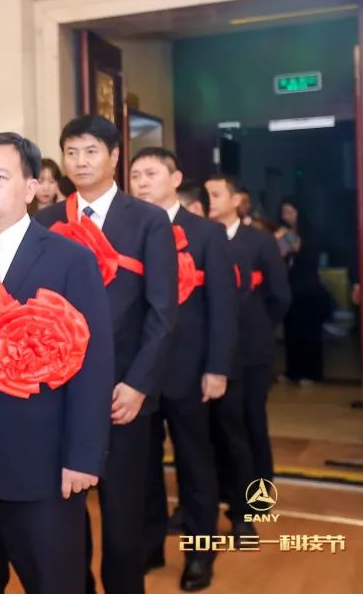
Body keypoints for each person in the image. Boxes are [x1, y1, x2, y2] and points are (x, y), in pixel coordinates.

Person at [0, 132, 113, 594]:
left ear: (31, 187)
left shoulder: (70, 260)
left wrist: (83, 456)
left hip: (43, 468)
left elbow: (94, 366)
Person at [34, 116, 177, 594]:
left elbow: (162, 312)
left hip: (123, 394)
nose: (80, 161)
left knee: (122, 518)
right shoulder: (46, 222)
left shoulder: (147, 220)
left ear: (115, 156)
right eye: (71, 152)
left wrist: (138, 385)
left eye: (91, 151)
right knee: (64, 515)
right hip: (60, 393)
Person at [130, 148, 237, 592]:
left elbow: (223, 307)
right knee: (142, 467)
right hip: (138, 372)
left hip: (190, 370)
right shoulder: (127, 229)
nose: (141, 182)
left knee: (195, 465)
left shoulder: (206, 233)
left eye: (151, 173)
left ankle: (199, 554)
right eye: (135, 175)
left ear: (175, 179)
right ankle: (150, 545)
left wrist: (217, 367)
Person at [205, 176, 290, 494]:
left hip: (250, 347)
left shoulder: (259, 240)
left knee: (251, 421)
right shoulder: (201, 237)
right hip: (211, 349)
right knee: (217, 424)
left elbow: (280, 296)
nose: (209, 200)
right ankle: (225, 488)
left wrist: (260, 327)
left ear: (236, 200)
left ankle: (259, 494)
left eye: (216, 194)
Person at [278, 198, 326, 385]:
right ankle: (292, 372)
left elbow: (305, 251)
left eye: (290, 212)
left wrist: (288, 237)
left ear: (299, 212)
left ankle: (312, 373)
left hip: (308, 288)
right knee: (291, 331)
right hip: (290, 287)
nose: (286, 216)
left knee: (309, 332)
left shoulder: (312, 232)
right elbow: (281, 255)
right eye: (284, 212)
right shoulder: (284, 231)